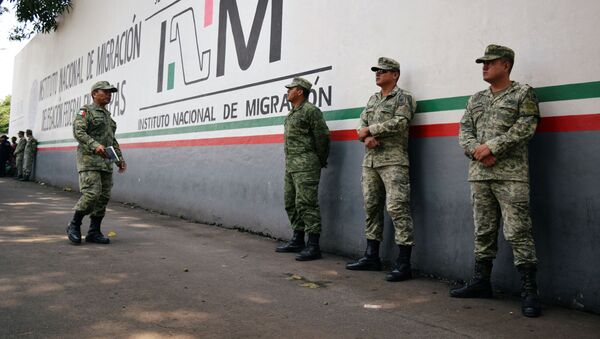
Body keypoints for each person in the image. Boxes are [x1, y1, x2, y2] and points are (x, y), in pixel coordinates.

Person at [450, 44, 541, 318]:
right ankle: (481, 282)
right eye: (483, 63)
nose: (484, 66)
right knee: (483, 230)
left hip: (510, 175)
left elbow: (526, 127)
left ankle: (529, 291)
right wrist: (477, 151)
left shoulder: (522, 93)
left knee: (518, 232)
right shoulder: (476, 99)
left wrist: (493, 147)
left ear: (506, 64)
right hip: (480, 174)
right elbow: (464, 129)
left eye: (490, 62)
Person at [346, 57, 417, 282]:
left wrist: (371, 130)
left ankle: (404, 262)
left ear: (394, 74)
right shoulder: (373, 99)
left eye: (382, 71)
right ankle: (371, 256)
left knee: (397, 208)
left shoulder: (403, 98)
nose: (377, 73)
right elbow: (361, 125)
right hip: (371, 162)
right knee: (371, 207)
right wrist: (365, 137)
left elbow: (401, 122)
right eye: (376, 70)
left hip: (393, 161)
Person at [275, 77, 330, 261]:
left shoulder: (311, 111)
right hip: (291, 165)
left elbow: (322, 137)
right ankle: (298, 239)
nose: (288, 91)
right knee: (290, 202)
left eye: (291, 89)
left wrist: (318, 160)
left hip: (306, 165)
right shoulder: (292, 113)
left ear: (300, 91)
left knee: (306, 203)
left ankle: (313, 246)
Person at [66, 81, 127, 245]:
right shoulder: (86, 111)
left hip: (106, 163)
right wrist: (95, 145)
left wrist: (118, 160)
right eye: (105, 92)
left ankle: (94, 231)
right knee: (92, 193)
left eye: (110, 92)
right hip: (89, 161)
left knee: (103, 197)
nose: (109, 95)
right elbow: (78, 132)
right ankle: (74, 224)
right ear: (94, 94)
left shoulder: (108, 117)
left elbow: (111, 141)